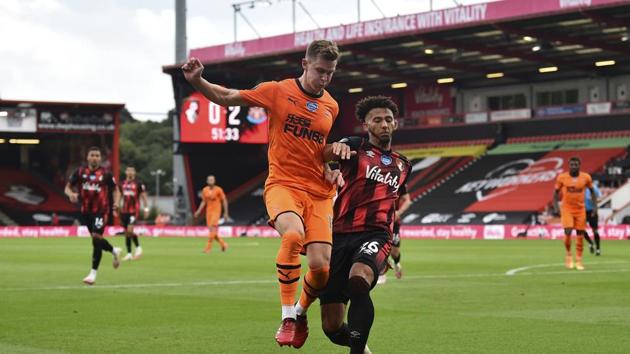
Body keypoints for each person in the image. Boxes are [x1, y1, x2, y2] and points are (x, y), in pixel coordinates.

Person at [182, 39, 353, 348]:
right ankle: (288, 316)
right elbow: (228, 97)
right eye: (319, 71)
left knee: (321, 268)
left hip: (319, 193)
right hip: (283, 184)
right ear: (304, 64)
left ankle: (300, 314)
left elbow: (318, 150)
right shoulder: (277, 91)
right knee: (291, 236)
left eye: (330, 73)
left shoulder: (331, 105)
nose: (325, 78)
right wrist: (198, 81)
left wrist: (333, 156)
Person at [320, 96, 412, 354]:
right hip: (338, 237)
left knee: (359, 278)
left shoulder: (403, 165)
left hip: (376, 234)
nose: (384, 124)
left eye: (388, 119)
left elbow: (396, 198)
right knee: (332, 326)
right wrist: (330, 158)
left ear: (395, 124)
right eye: (377, 120)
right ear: (366, 125)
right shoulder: (353, 147)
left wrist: (394, 236)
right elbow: (321, 153)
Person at [65, 146, 122, 285]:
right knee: (97, 238)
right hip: (85, 211)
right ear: (88, 157)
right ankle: (114, 250)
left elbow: (116, 190)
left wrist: (117, 202)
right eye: (92, 155)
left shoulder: (106, 174)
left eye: (97, 155)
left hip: (101, 211)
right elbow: (67, 187)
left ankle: (93, 274)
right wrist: (71, 194)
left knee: (96, 239)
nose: (95, 157)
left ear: (100, 158)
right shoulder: (79, 172)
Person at [553, 157, 597, 271]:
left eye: (576, 164)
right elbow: (555, 193)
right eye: (572, 164)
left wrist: (595, 207)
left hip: (580, 210)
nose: (574, 166)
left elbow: (592, 192)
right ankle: (568, 255)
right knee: (567, 231)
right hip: (567, 209)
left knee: (580, 235)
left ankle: (579, 260)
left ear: (579, 165)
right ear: (569, 165)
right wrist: (556, 207)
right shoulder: (562, 177)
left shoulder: (586, 177)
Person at [378, 192, 411, 284]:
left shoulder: (401, 182)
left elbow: (408, 201)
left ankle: (397, 264)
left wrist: (398, 212)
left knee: (394, 252)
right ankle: (381, 273)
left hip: (394, 222)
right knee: (380, 245)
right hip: (380, 219)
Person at [119, 166, 149, 261]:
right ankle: (131, 252)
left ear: (135, 172)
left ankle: (135, 249)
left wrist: (146, 208)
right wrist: (115, 207)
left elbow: (144, 196)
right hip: (124, 211)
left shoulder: (139, 184)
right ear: (126, 172)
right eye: (129, 170)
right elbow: (119, 195)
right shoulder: (122, 184)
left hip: (134, 211)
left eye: (132, 170)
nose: (130, 172)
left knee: (130, 229)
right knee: (128, 232)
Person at [194, 175, 229, 253]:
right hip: (208, 212)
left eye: (212, 180)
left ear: (214, 181)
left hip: (216, 211)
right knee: (212, 231)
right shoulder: (205, 190)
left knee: (212, 229)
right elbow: (203, 201)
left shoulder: (218, 190)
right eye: (209, 180)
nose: (211, 181)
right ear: (207, 181)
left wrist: (226, 213)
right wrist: (199, 211)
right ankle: (223, 244)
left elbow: (224, 200)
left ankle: (208, 248)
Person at [584, 181, 602, 256]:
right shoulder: (580, 188)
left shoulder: (594, 188)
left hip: (592, 211)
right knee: (580, 229)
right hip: (582, 211)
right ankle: (590, 242)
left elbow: (600, 198)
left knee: (595, 230)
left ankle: (598, 249)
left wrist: (594, 200)